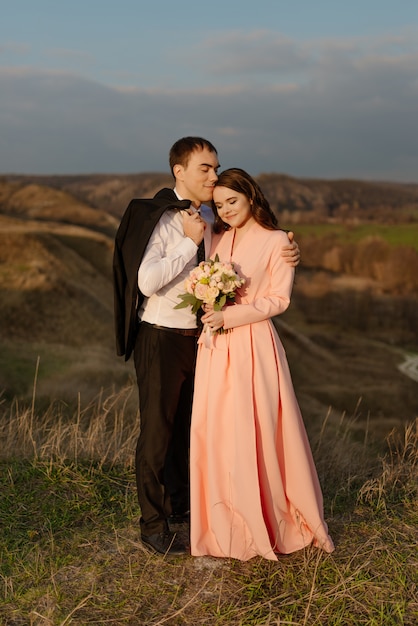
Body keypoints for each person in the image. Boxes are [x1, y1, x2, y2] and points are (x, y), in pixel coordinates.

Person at [113, 138, 301, 556]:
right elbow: (146, 282)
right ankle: (153, 525)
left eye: (216, 168)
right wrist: (186, 241)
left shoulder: (212, 221)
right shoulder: (163, 218)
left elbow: (251, 245)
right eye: (205, 169)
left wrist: (290, 251)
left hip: (201, 341)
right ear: (179, 171)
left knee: (191, 428)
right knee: (158, 432)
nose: (213, 176)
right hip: (160, 335)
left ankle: (182, 507)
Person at [190, 168, 334, 561]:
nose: (226, 210)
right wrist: (209, 304)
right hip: (215, 346)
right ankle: (223, 520)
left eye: (232, 202)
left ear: (251, 197)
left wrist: (229, 316)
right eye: (219, 204)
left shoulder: (277, 242)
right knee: (216, 428)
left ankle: (268, 518)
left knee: (257, 426)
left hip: (253, 343)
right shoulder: (215, 235)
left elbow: (278, 301)